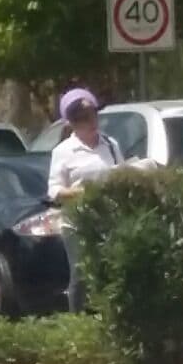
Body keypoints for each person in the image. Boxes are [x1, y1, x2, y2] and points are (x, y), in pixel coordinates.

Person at [47, 88, 122, 313]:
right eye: (84, 118)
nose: (91, 122)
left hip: (108, 219)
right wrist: (79, 193)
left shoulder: (110, 144)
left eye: (93, 115)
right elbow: (54, 190)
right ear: (72, 123)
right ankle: (77, 322)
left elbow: (122, 172)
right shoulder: (63, 151)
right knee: (80, 273)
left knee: (109, 270)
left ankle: (107, 318)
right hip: (77, 223)